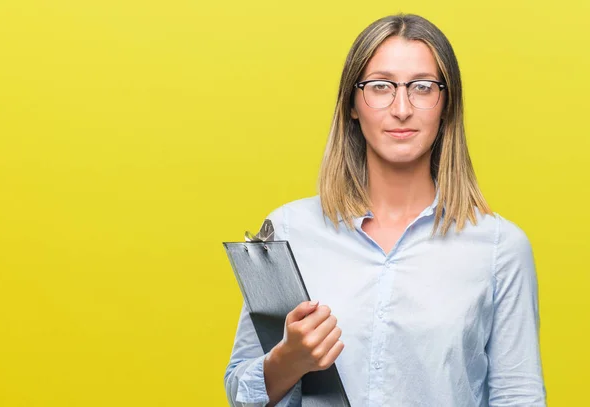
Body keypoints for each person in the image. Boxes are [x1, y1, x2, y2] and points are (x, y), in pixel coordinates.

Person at [223, 13, 547, 407]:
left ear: (446, 105)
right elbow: (241, 394)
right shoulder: (287, 230)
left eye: (423, 88)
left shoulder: (500, 248)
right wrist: (287, 360)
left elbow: (519, 397)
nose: (402, 108)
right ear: (353, 104)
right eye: (381, 87)